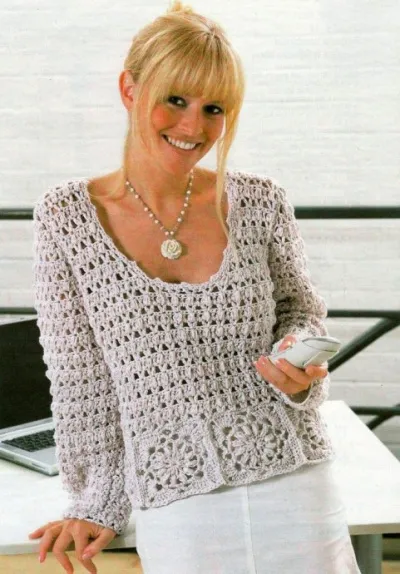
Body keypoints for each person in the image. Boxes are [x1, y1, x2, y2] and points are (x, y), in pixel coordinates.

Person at [28, 1, 361, 573]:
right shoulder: (67, 218)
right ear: (130, 89)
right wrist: (96, 498)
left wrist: (298, 360)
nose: (193, 127)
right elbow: (82, 380)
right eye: (176, 100)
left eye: (214, 108)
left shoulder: (259, 201)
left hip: (296, 477)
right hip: (175, 496)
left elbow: (299, 310)